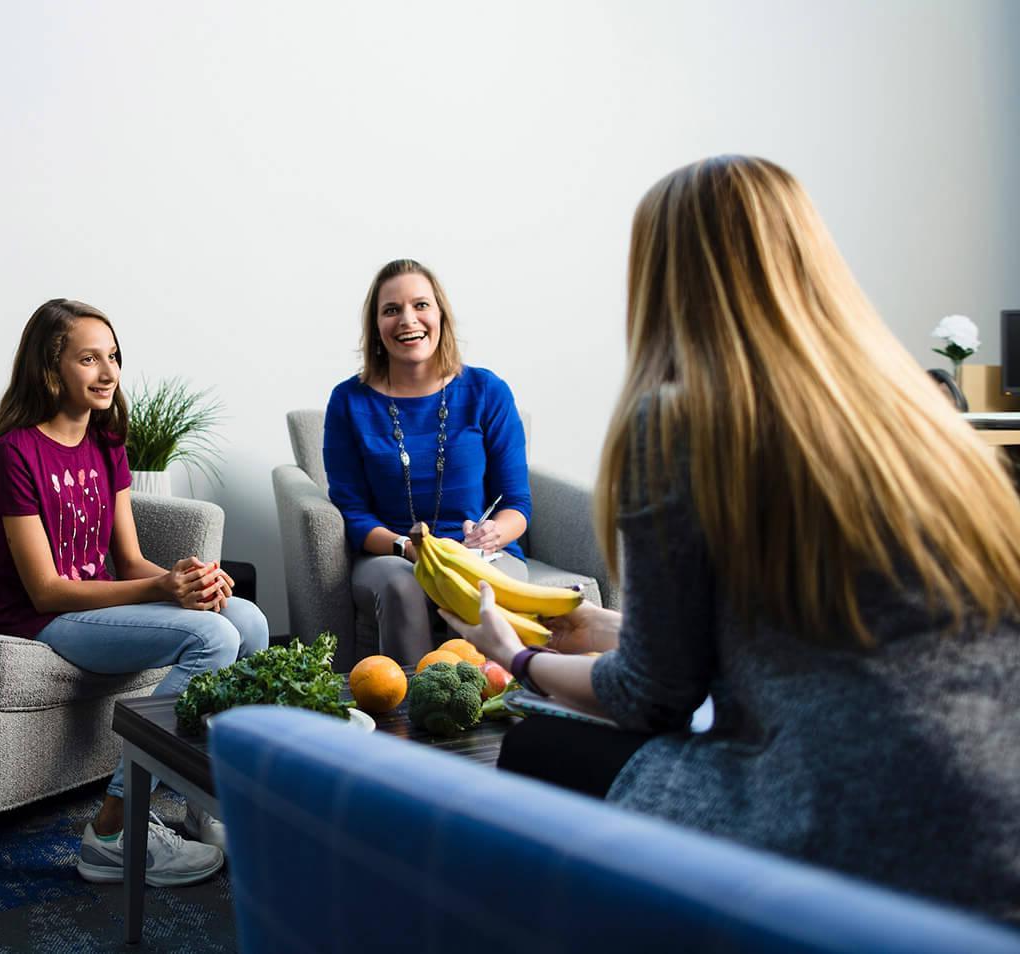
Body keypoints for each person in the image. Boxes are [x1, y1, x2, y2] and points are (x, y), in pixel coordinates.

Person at [443, 156, 1020, 923]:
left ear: (662, 279)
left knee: (532, 749)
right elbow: (823, 629)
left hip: (866, 825)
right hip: (1003, 809)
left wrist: (516, 656)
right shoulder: (924, 404)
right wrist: (607, 628)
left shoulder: (680, 425)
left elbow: (654, 700)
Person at [0, 298, 268, 887]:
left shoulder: (107, 446)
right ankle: (112, 826)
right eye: (88, 359)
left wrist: (188, 581)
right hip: (34, 617)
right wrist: (160, 589)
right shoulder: (15, 454)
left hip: (91, 603)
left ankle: (197, 803)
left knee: (248, 621)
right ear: (50, 370)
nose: (108, 374)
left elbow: (127, 559)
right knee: (211, 637)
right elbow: (46, 589)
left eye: (114, 358)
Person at [323, 259, 532, 663]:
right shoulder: (349, 401)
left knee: (475, 587)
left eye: (420, 305)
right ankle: (408, 713)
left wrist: (493, 533)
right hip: (392, 555)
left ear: (440, 315)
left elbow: (517, 504)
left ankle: (484, 714)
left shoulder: (487, 390)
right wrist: (408, 548)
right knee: (402, 586)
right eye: (391, 310)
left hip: (479, 554)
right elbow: (353, 513)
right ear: (376, 327)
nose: (407, 320)